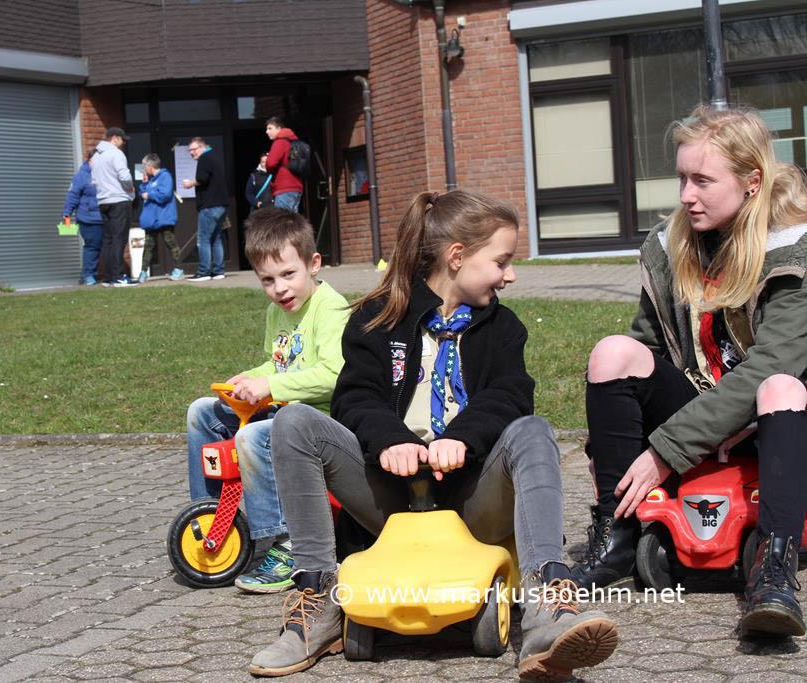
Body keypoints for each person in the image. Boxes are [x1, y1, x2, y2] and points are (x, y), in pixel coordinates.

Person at [250, 190, 618, 680]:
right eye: (502, 261)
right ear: (457, 256)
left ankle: (547, 605)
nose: (510, 275)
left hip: (470, 495)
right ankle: (318, 599)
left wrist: (462, 438)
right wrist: (391, 440)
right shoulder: (377, 318)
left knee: (532, 430)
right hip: (392, 494)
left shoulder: (503, 327)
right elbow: (355, 397)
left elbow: (510, 394)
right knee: (294, 421)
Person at [570, 105, 807, 640]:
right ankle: (615, 538)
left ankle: (774, 569)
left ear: (751, 182)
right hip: (702, 411)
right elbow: (649, 348)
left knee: (780, 384)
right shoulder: (670, 243)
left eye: (702, 180)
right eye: (681, 178)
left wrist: (663, 452)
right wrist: (611, 442)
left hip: (778, 421)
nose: (686, 195)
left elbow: (772, 364)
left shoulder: (793, 248)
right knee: (614, 352)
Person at [186, 208, 349, 594]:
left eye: (289, 275)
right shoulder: (276, 313)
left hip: (318, 422)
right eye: (268, 280)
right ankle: (214, 519)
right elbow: (279, 364)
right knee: (202, 413)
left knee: (252, 436)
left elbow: (334, 375)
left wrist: (271, 387)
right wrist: (251, 377)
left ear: (313, 264)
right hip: (283, 408)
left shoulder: (330, 308)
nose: (280, 289)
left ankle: (288, 541)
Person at [91, 127, 136, 287]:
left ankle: (108, 276)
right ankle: (118, 276)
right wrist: (130, 189)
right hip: (119, 200)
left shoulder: (96, 156)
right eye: (122, 140)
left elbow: (94, 180)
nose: (123, 143)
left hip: (103, 201)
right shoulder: (116, 153)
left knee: (108, 239)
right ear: (115, 138)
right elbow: (124, 175)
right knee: (119, 238)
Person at [182, 137, 229, 282]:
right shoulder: (214, 157)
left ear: (202, 147)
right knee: (216, 238)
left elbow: (202, 178)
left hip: (210, 206)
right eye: (190, 150)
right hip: (221, 205)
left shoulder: (204, 158)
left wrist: (190, 184)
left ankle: (204, 272)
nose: (192, 153)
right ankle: (218, 271)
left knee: (203, 239)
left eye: (194, 149)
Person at [138, 153, 184, 282]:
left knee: (171, 243)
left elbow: (165, 194)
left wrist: (150, 195)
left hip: (164, 217)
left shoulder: (165, 176)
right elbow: (143, 193)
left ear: (150, 165)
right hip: (151, 219)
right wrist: (144, 184)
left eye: (144, 166)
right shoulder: (151, 180)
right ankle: (143, 272)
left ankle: (178, 269)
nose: (144, 169)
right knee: (148, 246)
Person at [62, 149, 103, 286]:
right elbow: (72, 195)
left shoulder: (104, 173)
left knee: (102, 247)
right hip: (88, 218)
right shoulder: (81, 176)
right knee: (92, 246)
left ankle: (88, 275)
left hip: (103, 217)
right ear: (91, 160)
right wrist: (67, 214)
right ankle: (88, 275)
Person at [265, 117, 303, 214]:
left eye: (270, 128)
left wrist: (267, 163)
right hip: (296, 187)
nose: (267, 131)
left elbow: (271, 163)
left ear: (279, 129)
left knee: (282, 220)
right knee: (292, 220)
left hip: (284, 188)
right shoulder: (293, 141)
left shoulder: (280, 142)